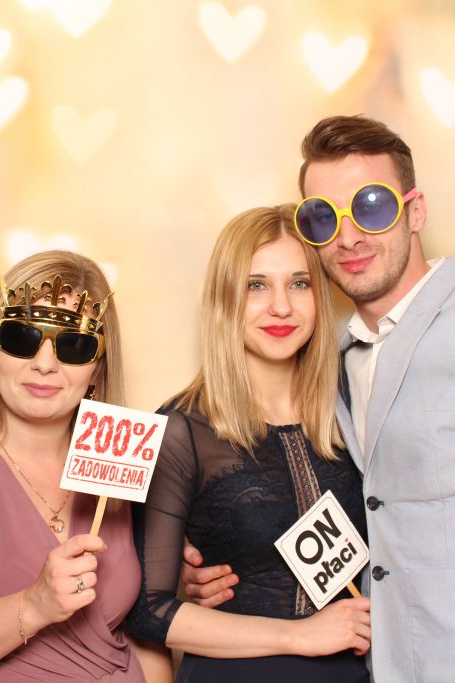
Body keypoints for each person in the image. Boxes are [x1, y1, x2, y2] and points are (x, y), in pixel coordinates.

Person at [186, 115, 455, 682]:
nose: (349, 237)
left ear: (416, 211)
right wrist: (211, 557)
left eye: (372, 207)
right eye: (324, 218)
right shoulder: (327, 363)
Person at [128, 205, 372, 682]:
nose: (281, 307)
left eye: (299, 283)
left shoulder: (356, 409)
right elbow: (147, 610)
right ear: (225, 299)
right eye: (256, 285)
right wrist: (298, 636)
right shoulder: (181, 430)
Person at [0, 251, 167, 682]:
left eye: (74, 345)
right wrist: (34, 605)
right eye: (22, 337)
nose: (44, 364)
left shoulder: (120, 465)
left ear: (98, 368)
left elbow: (143, 634)